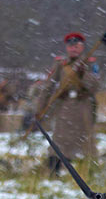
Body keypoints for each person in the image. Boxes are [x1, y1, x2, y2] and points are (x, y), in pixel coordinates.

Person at [36, 32, 99, 174]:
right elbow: (48, 86)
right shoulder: (60, 64)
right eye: (70, 46)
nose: (73, 49)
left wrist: (84, 74)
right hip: (64, 107)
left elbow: (95, 86)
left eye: (76, 46)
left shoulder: (89, 63)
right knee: (60, 139)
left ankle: (86, 170)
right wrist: (40, 108)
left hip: (83, 106)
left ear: (82, 47)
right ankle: (55, 169)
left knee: (84, 140)